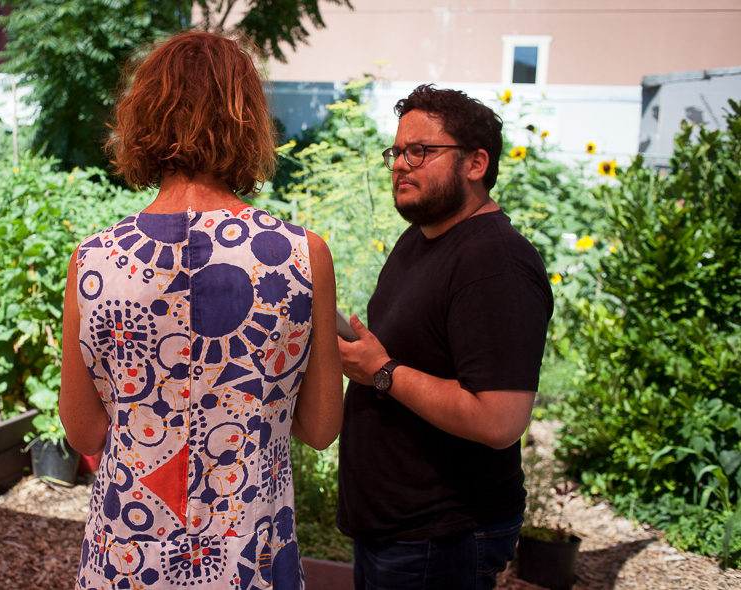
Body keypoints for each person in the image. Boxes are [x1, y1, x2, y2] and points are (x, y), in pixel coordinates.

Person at [59, 30, 344, 590]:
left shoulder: (94, 262)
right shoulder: (300, 255)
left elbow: (84, 430)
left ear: (143, 119)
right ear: (248, 122)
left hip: (128, 556)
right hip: (250, 556)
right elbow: (320, 426)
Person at [336, 84, 554, 589]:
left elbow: (499, 420)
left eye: (420, 151)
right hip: (398, 532)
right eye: (396, 151)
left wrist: (384, 373)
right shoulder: (421, 238)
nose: (400, 164)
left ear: (476, 163)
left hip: (442, 539)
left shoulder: (496, 262)